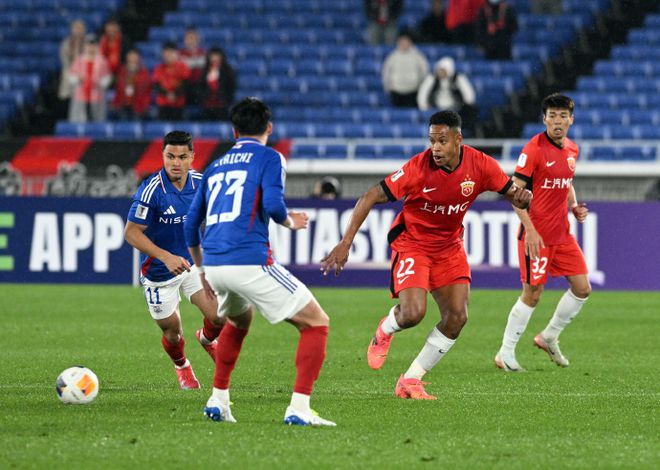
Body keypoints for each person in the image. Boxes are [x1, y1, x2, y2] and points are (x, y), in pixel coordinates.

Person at [321, 110, 532, 399]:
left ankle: (410, 379)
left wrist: (522, 197)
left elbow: (511, 192)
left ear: (458, 139)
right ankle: (385, 329)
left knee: (457, 317)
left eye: (442, 141)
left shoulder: (481, 164)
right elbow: (370, 195)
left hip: (449, 246)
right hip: (413, 244)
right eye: (432, 141)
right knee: (413, 314)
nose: (435, 148)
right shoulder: (418, 168)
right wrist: (346, 242)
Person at [184, 97, 335, 426]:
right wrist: (290, 222)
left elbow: (190, 223)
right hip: (249, 260)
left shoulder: (214, 167)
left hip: (215, 264)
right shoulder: (270, 157)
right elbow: (274, 205)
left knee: (240, 320)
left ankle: (218, 399)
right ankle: (299, 408)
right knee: (316, 323)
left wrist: (202, 270)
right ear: (269, 127)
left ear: (234, 132)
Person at [494, 93, 590, 372]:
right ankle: (505, 353)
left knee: (582, 288)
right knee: (533, 293)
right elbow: (514, 193)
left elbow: (566, 181)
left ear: (571, 120)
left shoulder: (572, 149)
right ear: (544, 119)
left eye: (563, 116)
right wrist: (530, 230)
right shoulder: (534, 149)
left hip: (562, 234)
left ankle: (548, 337)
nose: (558, 121)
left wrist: (574, 205)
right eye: (553, 116)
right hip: (536, 235)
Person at [124, 131, 226, 390]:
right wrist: (166, 256)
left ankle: (206, 339)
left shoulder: (202, 184)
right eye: (170, 156)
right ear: (163, 156)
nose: (175, 163)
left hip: (193, 264)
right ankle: (182, 366)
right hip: (160, 272)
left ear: (192, 157)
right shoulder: (151, 191)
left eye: (182, 157)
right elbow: (131, 233)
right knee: (172, 332)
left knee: (220, 316)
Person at [416, 56, 477, 135]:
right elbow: (423, 93)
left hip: (456, 108)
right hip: (436, 108)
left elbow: (468, 94)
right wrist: (424, 106)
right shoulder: (432, 78)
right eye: (439, 70)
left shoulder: (458, 78)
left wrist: (467, 104)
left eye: (443, 70)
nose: (440, 72)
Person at [68, 35, 112, 123]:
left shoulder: (102, 61)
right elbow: (71, 75)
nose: (91, 48)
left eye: (93, 45)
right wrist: (78, 79)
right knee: (79, 119)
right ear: (85, 46)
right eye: (89, 45)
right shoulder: (79, 60)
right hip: (80, 95)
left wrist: (101, 83)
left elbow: (107, 77)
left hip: (97, 95)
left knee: (98, 119)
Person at [382, 31, 429, 108]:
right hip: (396, 91)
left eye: (406, 41)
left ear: (410, 42)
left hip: (413, 91)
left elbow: (424, 71)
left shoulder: (418, 56)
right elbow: (386, 73)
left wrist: (421, 87)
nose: (404, 44)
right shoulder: (392, 57)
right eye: (401, 41)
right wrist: (388, 87)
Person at [153, 41, 191, 120]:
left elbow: (186, 84)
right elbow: (156, 85)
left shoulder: (182, 67)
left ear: (176, 53)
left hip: (178, 104)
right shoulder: (159, 68)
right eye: (166, 53)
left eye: (171, 53)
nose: (168, 55)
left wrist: (175, 94)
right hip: (163, 104)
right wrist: (167, 94)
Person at [112, 49, 152, 120]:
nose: (132, 60)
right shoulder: (121, 72)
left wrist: (133, 82)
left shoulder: (144, 73)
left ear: (138, 59)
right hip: (123, 106)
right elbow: (118, 89)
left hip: (139, 107)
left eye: (134, 58)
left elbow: (144, 90)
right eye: (130, 58)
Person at [199, 47, 236, 121]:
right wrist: (204, 97)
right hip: (207, 105)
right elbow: (200, 86)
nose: (215, 58)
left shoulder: (227, 71)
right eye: (213, 56)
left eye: (217, 56)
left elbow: (231, 87)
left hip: (222, 105)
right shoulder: (204, 70)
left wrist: (224, 98)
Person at [58, 19, 87, 116]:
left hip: (85, 76)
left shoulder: (88, 43)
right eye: (76, 28)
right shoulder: (66, 43)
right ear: (71, 29)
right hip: (69, 76)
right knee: (68, 103)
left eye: (80, 28)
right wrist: (74, 73)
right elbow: (64, 60)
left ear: (84, 29)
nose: (78, 30)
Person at [180, 28, 206, 105]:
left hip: (200, 87)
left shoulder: (204, 54)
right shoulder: (179, 55)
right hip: (185, 88)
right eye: (189, 38)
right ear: (185, 40)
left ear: (198, 39)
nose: (191, 41)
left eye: (193, 38)